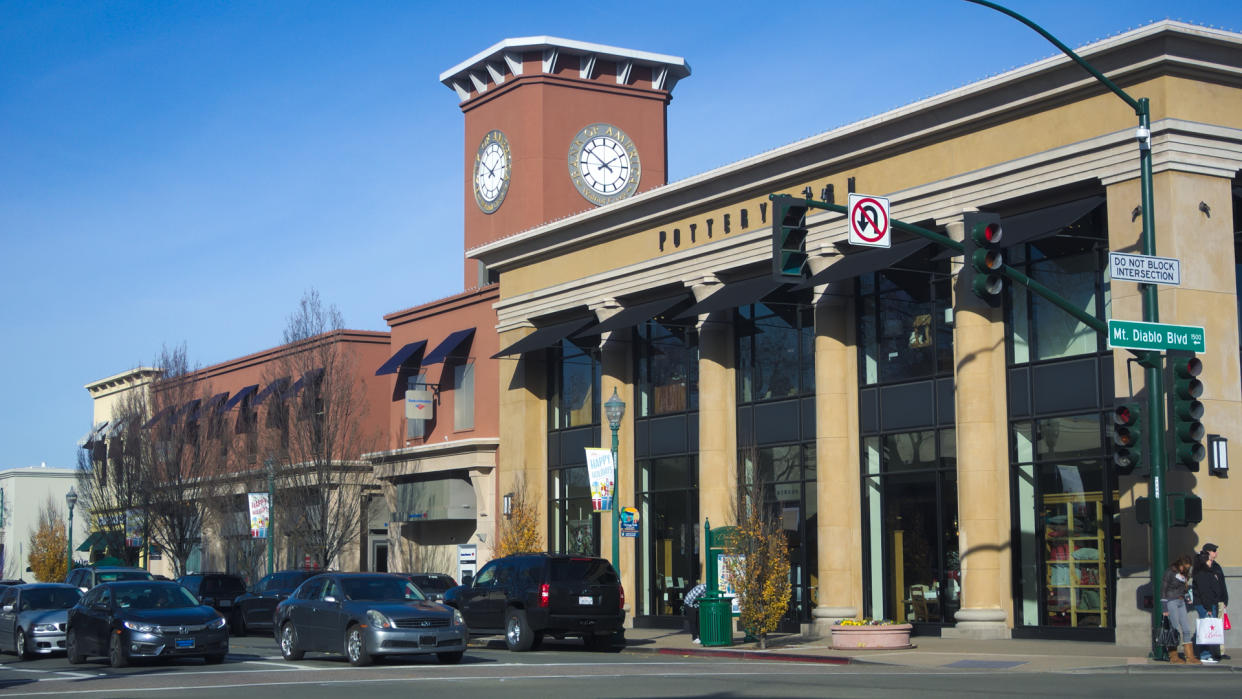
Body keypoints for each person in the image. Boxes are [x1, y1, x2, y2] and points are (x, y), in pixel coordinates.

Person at [1193, 543, 1229, 664]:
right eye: (1213, 551)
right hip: (1205, 604)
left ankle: (1210, 653)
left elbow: (1219, 585)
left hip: (1212, 602)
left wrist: (1224, 599)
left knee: (1211, 628)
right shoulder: (1202, 572)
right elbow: (1204, 591)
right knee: (1206, 629)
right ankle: (1205, 654)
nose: (1215, 554)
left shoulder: (1213, 569)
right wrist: (1208, 607)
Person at [1162, 554, 1200, 664]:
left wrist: (1187, 597)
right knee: (1174, 628)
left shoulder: (1184, 574)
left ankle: (1190, 656)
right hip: (1171, 601)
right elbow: (1163, 590)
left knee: (1186, 628)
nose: (1185, 569)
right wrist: (1165, 607)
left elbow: (1184, 588)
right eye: (1185, 567)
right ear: (1180, 564)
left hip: (1181, 601)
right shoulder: (1170, 572)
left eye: (1188, 568)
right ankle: (1173, 656)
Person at [683, 580, 707, 644]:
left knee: (699, 621)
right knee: (693, 621)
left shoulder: (706, 589)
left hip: (696, 604)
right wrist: (692, 608)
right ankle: (694, 638)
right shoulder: (702, 588)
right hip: (689, 603)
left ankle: (701, 637)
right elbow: (693, 598)